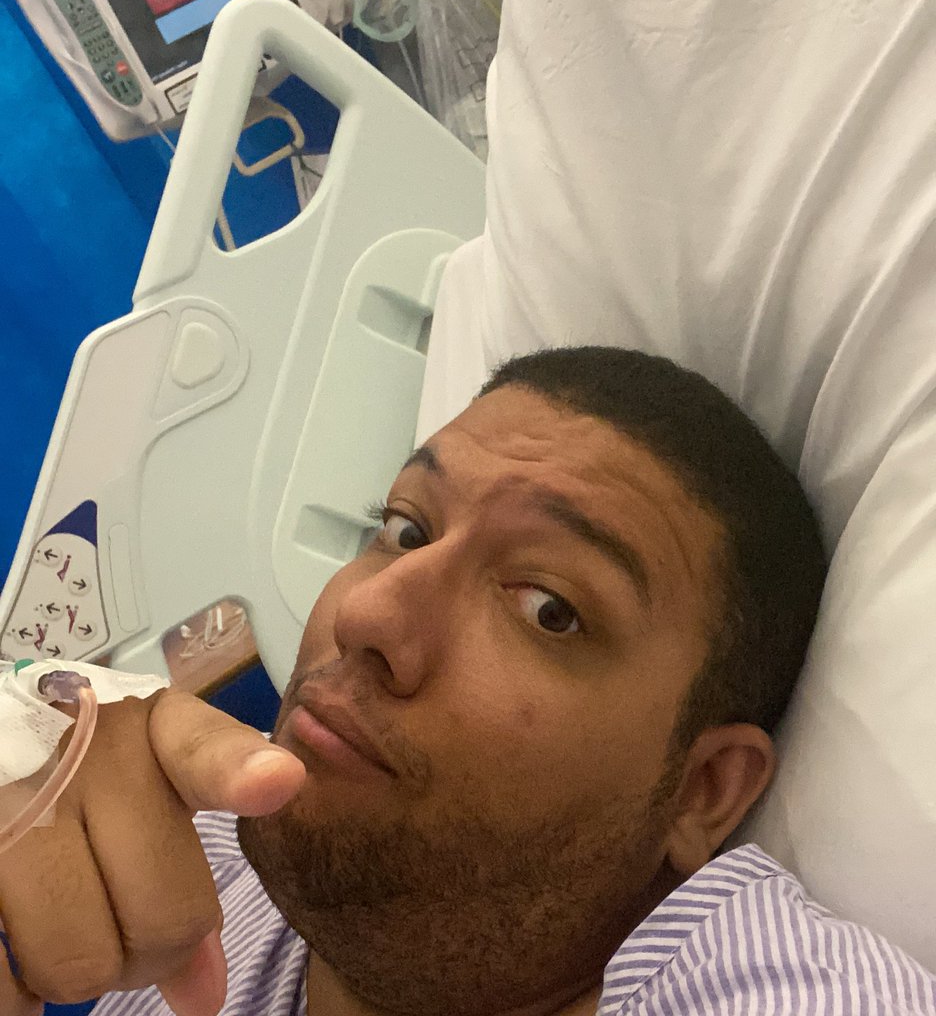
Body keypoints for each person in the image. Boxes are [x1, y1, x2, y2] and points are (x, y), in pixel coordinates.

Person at [1, 346, 933, 1016]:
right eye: (404, 529)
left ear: (704, 790)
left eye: (549, 609)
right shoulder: (182, 866)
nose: (369, 615)